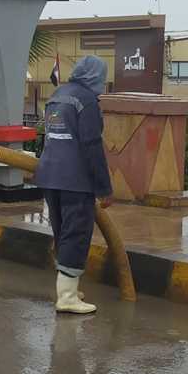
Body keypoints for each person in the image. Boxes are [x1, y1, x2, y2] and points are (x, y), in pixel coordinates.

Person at [35, 56, 114, 314]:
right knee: (76, 234)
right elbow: (92, 146)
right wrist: (104, 188)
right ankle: (67, 297)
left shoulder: (58, 95)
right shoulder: (87, 101)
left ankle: (67, 289)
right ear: (96, 76)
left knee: (62, 231)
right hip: (75, 179)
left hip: (49, 175)